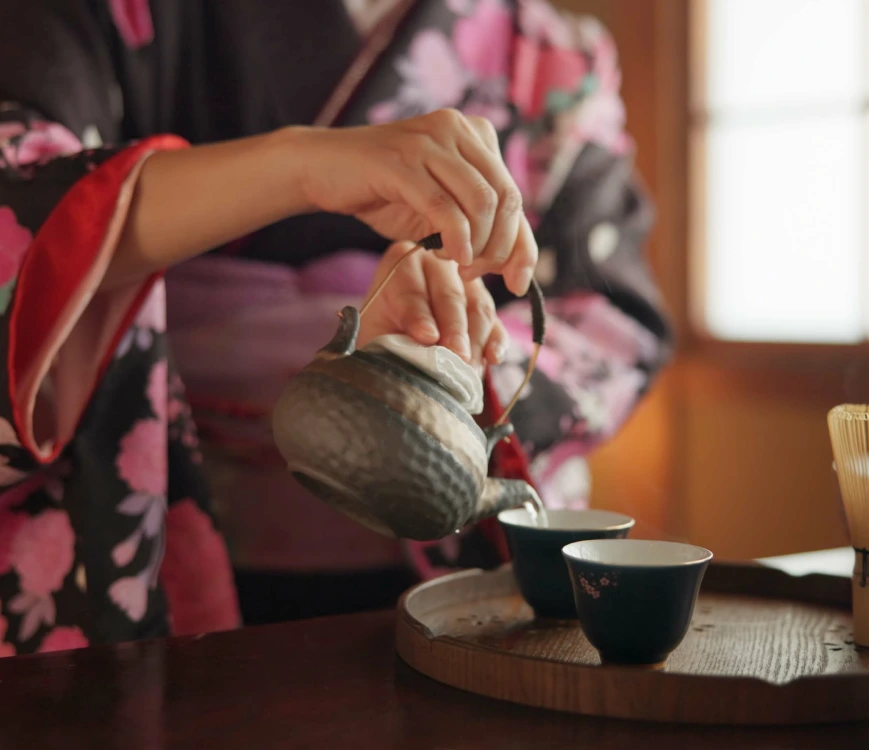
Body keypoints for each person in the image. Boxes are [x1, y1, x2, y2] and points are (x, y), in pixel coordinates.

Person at [0, 0, 670, 653]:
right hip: (147, 537)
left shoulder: (549, 57)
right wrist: (298, 165)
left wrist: (438, 357)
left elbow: (609, 319)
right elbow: (19, 203)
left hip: (435, 538)